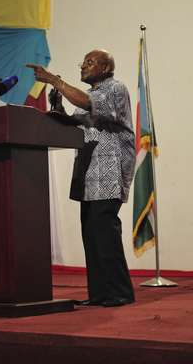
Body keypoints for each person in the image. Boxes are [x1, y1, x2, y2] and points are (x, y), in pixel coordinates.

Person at [27, 49, 136, 307]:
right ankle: (100, 294)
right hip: (90, 173)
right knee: (91, 233)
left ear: (107, 68)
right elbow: (73, 121)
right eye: (83, 62)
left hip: (109, 169)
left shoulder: (114, 88)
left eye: (90, 62)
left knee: (104, 231)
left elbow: (87, 103)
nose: (83, 66)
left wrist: (56, 81)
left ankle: (120, 292)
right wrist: (58, 107)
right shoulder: (92, 95)